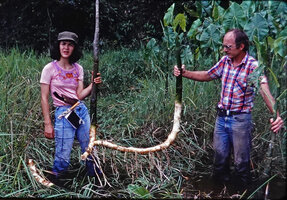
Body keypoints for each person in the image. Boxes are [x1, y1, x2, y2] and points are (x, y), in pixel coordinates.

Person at [173, 29, 284, 188]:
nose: (224, 49)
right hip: (221, 118)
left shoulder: (252, 66)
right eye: (224, 46)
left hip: (240, 120)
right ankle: (219, 191)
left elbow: (264, 89)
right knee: (219, 159)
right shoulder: (225, 61)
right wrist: (184, 73)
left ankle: (242, 193)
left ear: (241, 47)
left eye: (228, 46)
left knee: (241, 163)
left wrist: (276, 115)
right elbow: (207, 75)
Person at [40, 31, 102, 179]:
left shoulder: (78, 68)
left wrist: (93, 84)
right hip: (63, 114)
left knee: (89, 147)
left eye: (70, 44)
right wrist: (48, 123)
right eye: (63, 44)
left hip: (81, 111)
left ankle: (96, 180)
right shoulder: (49, 69)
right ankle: (56, 184)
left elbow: (79, 95)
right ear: (58, 46)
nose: (66, 48)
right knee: (63, 153)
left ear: (74, 48)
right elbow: (44, 97)